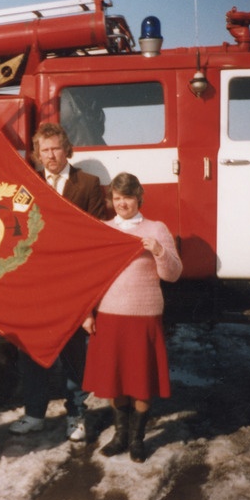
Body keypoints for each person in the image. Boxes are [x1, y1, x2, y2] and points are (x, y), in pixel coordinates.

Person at [9, 122, 107, 441]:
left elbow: (97, 236)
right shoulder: (27, 184)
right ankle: (34, 414)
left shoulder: (89, 184)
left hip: (72, 282)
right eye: (45, 150)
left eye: (56, 148)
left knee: (74, 352)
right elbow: (14, 228)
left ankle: (76, 414)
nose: (51, 155)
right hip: (36, 284)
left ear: (67, 149)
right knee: (33, 350)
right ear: (37, 154)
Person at [81, 172, 183, 463]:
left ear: (139, 198)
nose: (122, 203)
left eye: (127, 197)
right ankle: (119, 436)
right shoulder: (103, 229)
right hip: (110, 315)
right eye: (116, 198)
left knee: (140, 382)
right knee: (115, 381)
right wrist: (87, 312)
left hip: (144, 315)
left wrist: (160, 251)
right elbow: (91, 278)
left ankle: (137, 440)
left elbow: (173, 274)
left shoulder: (156, 228)